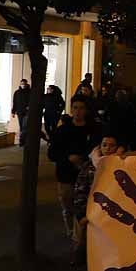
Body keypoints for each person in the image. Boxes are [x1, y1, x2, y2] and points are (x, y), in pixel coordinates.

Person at [47, 97, 101, 242]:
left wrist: (84, 159)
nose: (78, 111)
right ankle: (72, 233)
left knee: (87, 207)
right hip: (66, 175)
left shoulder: (94, 129)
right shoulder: (63, 130)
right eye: (75, 108)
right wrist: (68, 157)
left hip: (87, 176)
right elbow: (52, 154)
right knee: (68, 205)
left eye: (81, 108)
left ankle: (83, 236)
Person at [72, 134, 126, 265]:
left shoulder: (122, 164)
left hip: (110, 212)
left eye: (112, 145)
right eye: (105, 145)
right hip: (90, 209)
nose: (108, 148)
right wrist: (81, 213)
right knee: (82, 241)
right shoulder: (90, 166)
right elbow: (80, 189)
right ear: (100, 147)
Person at [11, 79, 32, 144]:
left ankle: (23, 140)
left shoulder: (30, 92)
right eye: (22, 83)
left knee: (25, 125)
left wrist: (29, 107)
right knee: (21, 126)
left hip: (27, 112)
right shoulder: (17, 92)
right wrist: (13, 111)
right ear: (20, 84)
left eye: (24, 84)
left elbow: (32, 101)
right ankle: (23, 140)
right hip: (19, 112)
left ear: (26, 84)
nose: (23, 85)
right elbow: (15, 102)